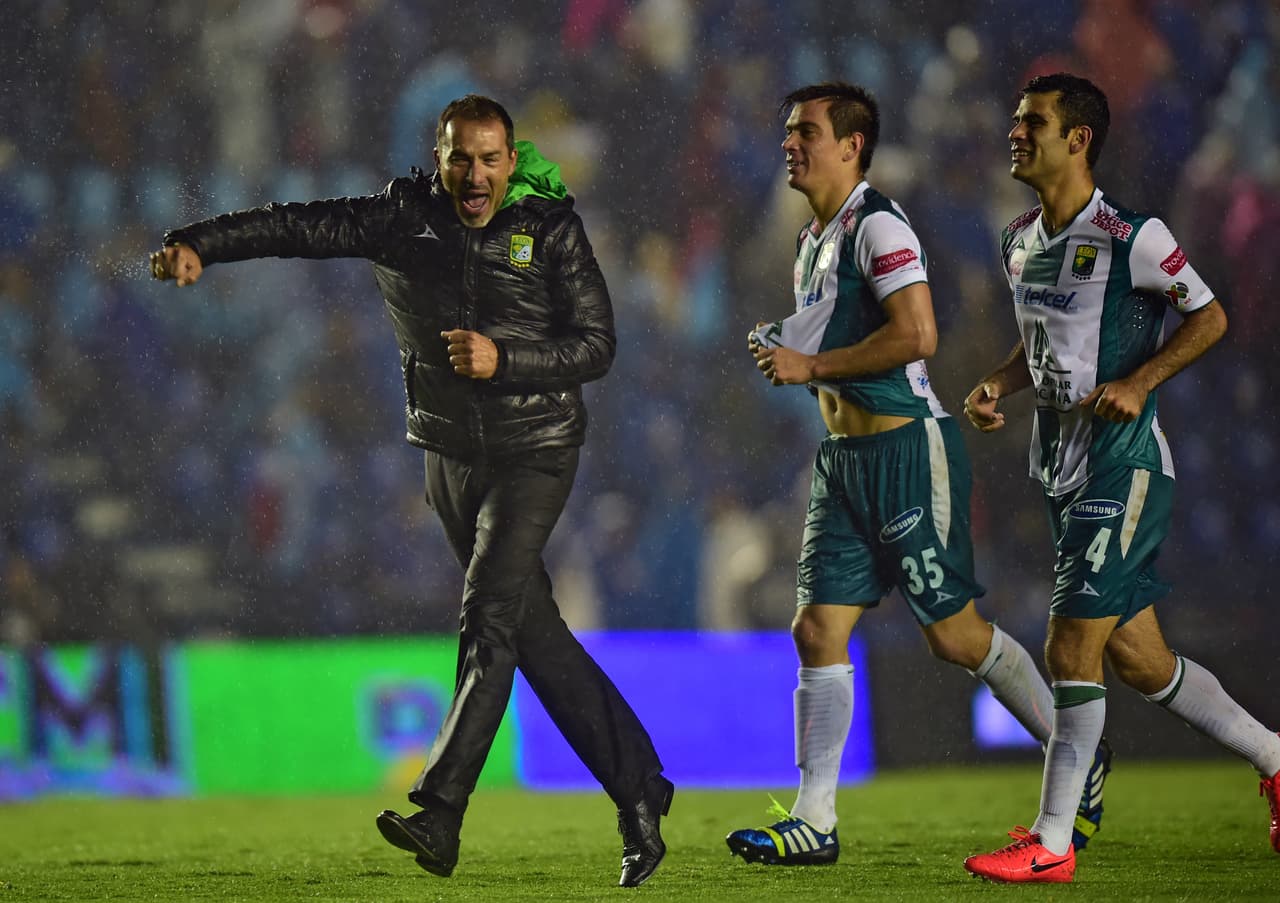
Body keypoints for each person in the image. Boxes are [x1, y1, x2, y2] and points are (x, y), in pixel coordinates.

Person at [149, 94, 674, 888]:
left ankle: (440, 809)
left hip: (536, 451)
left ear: (509, 160)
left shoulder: (551, 226)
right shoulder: (402, 219)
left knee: (488, 614)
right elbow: (296, 226)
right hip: (451, 456)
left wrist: (506, 361)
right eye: (461, 157)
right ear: (440, 158)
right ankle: (640, 791)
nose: (475, 173)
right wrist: (198, 243)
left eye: (490, 159)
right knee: (533, 637)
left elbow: (597, 344)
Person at [724, 82, 1109, 867]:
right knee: (816, 628)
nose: (789, 144)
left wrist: (812, 362)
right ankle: (815, 820)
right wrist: (787, 344)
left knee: (955, 637)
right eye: (788, 130)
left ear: (851, 146)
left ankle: (1078, 751)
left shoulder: (878, 223)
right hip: (842, 464)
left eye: (806, 132)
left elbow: (920, 333)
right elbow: (839, 335)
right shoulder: (812, 239)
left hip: (907, 453)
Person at [961, 72, 1280, 884]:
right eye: (1015, 119)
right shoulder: (1016, 239)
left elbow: (1209, 316)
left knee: (1071, 640)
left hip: (1125, 464)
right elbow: (1041, 348)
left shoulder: (1133, 235)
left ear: (1079, 140)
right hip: (1060, 470)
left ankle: (1053, 842)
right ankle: (1274, 758)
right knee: (1143, 661)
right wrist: (1000, 381)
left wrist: (1141, 382)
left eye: (1032, 121)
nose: (1015, 133)